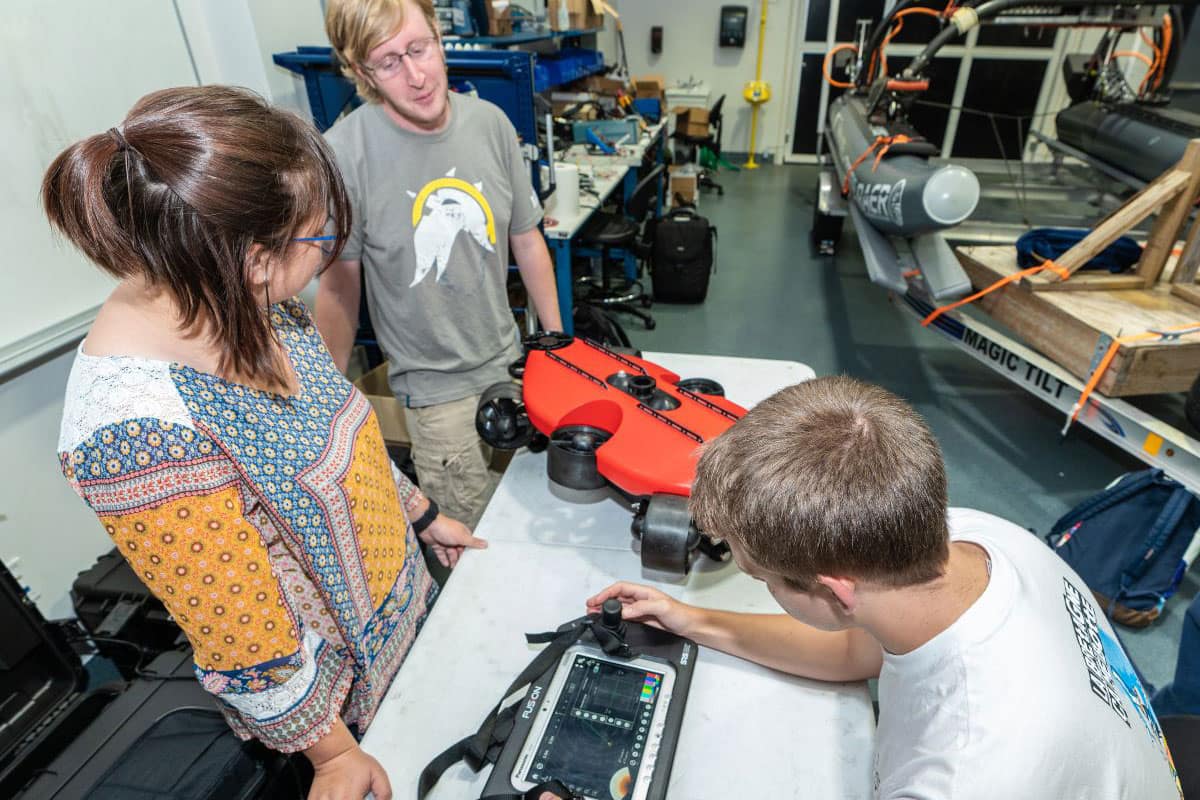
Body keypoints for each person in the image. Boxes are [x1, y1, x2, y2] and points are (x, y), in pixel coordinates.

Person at [45, 85, 487, 800]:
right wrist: (334, 757)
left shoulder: (243, 298)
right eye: (319, 239)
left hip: (410, 621)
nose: (325, 256)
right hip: (341, 716)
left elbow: (340, 432)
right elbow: (249, 638)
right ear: (255, 258)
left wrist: (423, 515)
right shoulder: (134, 430)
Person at [589, 376, 1182, 799]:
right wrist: (692, 620)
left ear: (835, 590)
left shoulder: (960, 775)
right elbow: (860, 649)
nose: (759, 583)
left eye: (760, 577)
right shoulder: (974, 538)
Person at [317, 0, 563, 530]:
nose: (416, 75)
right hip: (436, 398)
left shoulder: (491, 124)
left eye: (419, 48)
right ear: (361, 72)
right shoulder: (344, 155)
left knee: (535, 521)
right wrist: (328, 404)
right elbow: (339, 289)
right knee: (475, 549)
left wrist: (557, 345)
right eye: (388, 62)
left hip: (514, 367)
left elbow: (527, 238)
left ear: (438, 35)